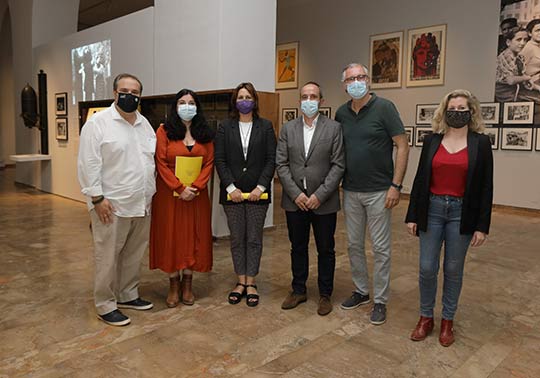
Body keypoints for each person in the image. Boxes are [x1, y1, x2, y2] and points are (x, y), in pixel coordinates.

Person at [405, 89, 493, 347]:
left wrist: (482, 226)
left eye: (462, 109)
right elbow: (421, 178)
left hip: (461, 213)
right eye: (452, 108)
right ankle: (425, 317)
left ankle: (447, 321)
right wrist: (412, 215)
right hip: (431, 209)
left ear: (471, 112)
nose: (457, 113)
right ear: (445, 111)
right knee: (427, 267)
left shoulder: (481, 143)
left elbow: (486, 186)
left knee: (453, 269)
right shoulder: (432, 140)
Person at [78, 73, 155, 326]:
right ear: (114, 93)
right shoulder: (98, 123)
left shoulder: (145, 124)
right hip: (110, 204)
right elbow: (88, 163)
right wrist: (97, 198)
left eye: (135, 92)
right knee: (107, 257)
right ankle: (105, 304)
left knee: (133, 253)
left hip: (141, 202)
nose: (129, 96)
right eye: (124, 91)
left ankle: (127, 293)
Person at [336, 63, 409, 325]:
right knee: (354, 245)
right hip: (351, 190)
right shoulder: (341, 113)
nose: (356, 82)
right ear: (344, 85)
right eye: (351, 79)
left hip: (380, 191)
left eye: (361, 77)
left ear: (369, 80)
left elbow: (402, 145)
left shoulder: (385, 108)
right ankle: (361, 290)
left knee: (380, 248)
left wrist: (396, 185)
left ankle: (380, 300)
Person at [276, 82, 345, 316]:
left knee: (326, 249)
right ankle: (298, 289)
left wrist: (319, 195)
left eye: (313, 96)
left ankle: (325, 294)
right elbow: (281, 164)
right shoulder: (287, 129)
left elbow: (338, 165)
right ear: (299, 101)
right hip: (295, 202)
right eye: (304, 96)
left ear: (321, 101)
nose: (308, 100)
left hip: (323, 202)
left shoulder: (334, 128)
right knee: (298, 247)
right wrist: (296, 194)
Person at [149, 89, 215, 308]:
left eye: (191, 102)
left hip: (197, 197)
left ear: (197, 107)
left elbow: (209, 163)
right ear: (175, 107)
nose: (187, 106)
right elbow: (160, 162)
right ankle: (173, 284)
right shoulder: (164, 131)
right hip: (170, 196)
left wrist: (194, 188)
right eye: (182, 102)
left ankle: (188, 283)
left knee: (193, 237)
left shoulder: (205, 133)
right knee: (172, 236)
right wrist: (179, 187)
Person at [214, 82, 276, 307]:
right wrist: (231, 187)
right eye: (240, 96)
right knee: (237, 238)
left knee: (254, 239)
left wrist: (261, 186)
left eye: (248, 96)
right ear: (235, 101)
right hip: (233, 196)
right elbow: (219, 159)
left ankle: (252, 282)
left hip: (258, 194)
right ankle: (240, 282)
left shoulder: (266, 126)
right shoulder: (225, 127)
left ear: (255, 100)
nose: (244, 100)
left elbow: (271, 158)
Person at [496, 28, 535, 102]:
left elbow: (523, 77)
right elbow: (510, 80)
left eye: (525, 40)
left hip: (516, 93)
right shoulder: (506, 56)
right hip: (505, 96)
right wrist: (527, 78)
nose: (522, 43)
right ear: (508, 42)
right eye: (518, 40)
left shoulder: (519, 57)